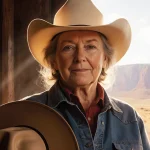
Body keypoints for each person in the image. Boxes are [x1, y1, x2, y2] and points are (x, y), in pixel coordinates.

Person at [25, 0, 150, 149]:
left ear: (105, 59)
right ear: (54, 61)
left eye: (90, 46)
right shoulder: (27, 112)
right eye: (68, 47)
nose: (80, 57)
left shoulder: (130, 119)